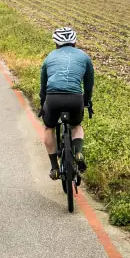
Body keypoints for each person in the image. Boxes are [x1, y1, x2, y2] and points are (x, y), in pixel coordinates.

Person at [39, 26, 94, 180]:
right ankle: (78, 153)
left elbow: (43, 84)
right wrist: (87, 100)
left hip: (53, 98)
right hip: (75, 98)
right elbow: (89, 84)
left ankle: (55, 168)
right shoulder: (84, 57)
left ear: (56, 43)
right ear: (74, 42)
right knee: (76, 126)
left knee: (49, 128)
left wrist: (43, 102)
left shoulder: (50, 57)